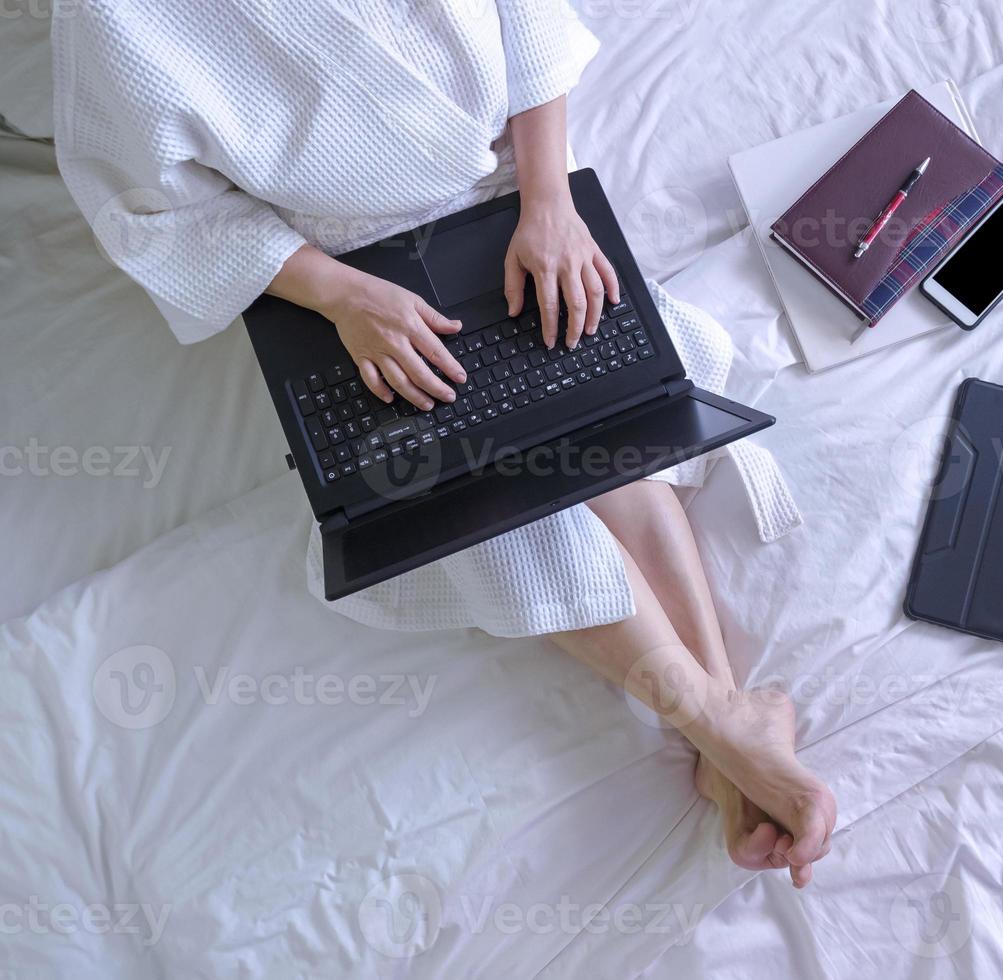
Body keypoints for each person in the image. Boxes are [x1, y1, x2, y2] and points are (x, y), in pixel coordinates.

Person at [53, 0, 834, 887]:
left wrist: (546, 202)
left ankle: (724, 731)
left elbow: (527, 22)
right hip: (348, 274)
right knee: (486, 518)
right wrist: (340, 297)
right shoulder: (107, 21)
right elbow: (158, 210)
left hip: (504, 198)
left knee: (607, 419)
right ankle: (725, 726)